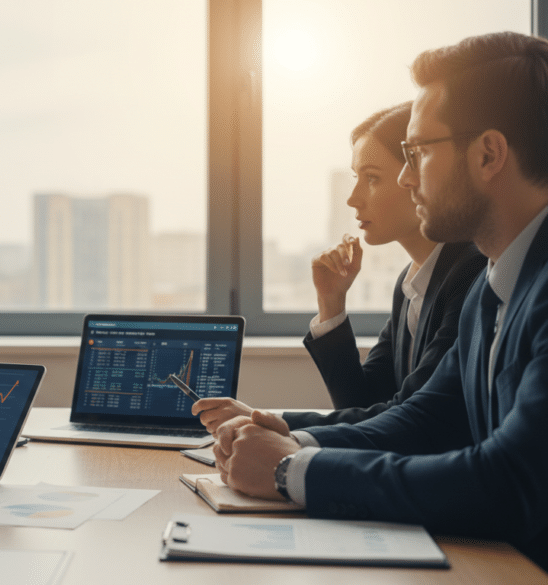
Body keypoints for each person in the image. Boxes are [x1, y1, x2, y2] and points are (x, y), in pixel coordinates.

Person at [203, 31, 548, 569]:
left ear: (488, 154)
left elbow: (510, 482)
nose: (408, 178)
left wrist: (290, 471)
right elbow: (427, 418)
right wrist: (299, 441)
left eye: (417, 153)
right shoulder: (493, 284)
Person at [196, 103, 485, 432]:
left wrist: (267, 420)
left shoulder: (471, 274)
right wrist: (331, 303)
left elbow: (407, 419)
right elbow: (363, 405)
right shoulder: (410, 283)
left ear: (417, 176)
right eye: (355, 178)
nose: (353, 198)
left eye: (372, 178)